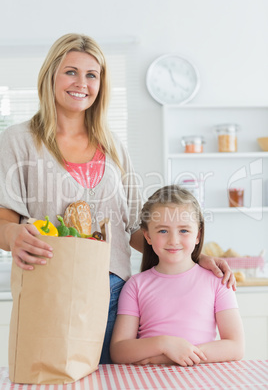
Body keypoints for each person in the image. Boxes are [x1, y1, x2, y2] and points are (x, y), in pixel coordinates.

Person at [0, 34, 235, 364]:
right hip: (51, 287)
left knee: (113, 379)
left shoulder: (113, 147)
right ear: (50, 75)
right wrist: (12, 234)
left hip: (112, 292)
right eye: (70, 72)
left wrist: (195, 258)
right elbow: (4, 218)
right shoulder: (19, 140)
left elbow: (141, 232)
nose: (81, 83)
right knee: (51, 379)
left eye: (92, 75)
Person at [110, 185, 244, 365]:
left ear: (198, 235)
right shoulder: (135, 285)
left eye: (184, 230)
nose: (173, 240)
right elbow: (119, 350)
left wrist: (176, 356)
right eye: (163, 231)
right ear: (147, 236)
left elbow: (236, 346)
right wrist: (164, 344)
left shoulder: (217, 281)